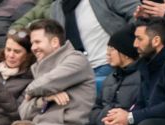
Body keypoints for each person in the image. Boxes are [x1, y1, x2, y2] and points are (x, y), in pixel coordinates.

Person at [10, 0, 139, 76]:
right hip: (76, 69)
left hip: (109, 64)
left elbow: (137, 13)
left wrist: (124, 46)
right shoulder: (57, 7)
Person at [18, 19, 95, 125]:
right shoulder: (38, 67)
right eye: (32, 43)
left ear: (54, 42)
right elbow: (23, 112)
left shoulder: (76, 60)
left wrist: (30, 91)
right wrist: (45, 99)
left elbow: (46, 83)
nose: (33, 48)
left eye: (37, 42)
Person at [88, 24, 140, 125]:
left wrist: (118, 120)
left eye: (112, 49)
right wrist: (104, 119)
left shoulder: (142, 77)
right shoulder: (110, 78)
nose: (107, 53)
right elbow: (94, 111)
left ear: (125, 53)